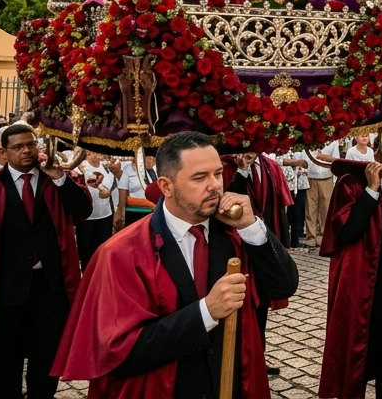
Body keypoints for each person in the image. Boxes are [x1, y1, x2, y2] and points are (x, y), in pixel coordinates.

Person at [54, 132, 298, 399]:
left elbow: (282, 286)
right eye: (199, 177)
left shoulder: (235, 234)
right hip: (161, 388)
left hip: (233, 384)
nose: (215, 185)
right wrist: (206, 312)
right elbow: (119, 352)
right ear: (166, 186)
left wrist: (252, 228)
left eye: (217, 174)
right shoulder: (121, 253)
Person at [0, 125, 90, 398]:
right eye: (18, 147)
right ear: (2, 152)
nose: (27, 151)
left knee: (47, 354)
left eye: (31, 145)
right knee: (5, 357)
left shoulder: (55, 180)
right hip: (4, 287)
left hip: (50, 286)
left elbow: (82, 211)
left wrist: (61, 179)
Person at [318, 129, 382, 398]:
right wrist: (371, 191)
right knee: (357, 350)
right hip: (363, 284)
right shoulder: (352, 183)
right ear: (379, 151)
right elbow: (346, 232)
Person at [224, 150, 293, 376]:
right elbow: (229, 202)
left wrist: (282, 243)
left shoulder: (270, 166)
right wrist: (242, 170)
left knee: (261, 306)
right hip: (239, 249)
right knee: (245, 307)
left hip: (263, 244)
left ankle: (258, 359)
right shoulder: (227, 166)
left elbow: (277, 204)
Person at [76, 151, 116, 270]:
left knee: (102, 249)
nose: (100, 153)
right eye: (95, 150)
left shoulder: (106, 168)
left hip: (105, 215)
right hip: (86, 217)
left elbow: (110, 189)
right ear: (88, 152)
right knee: (86, 252)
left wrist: (106, 192)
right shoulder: (81, 168)